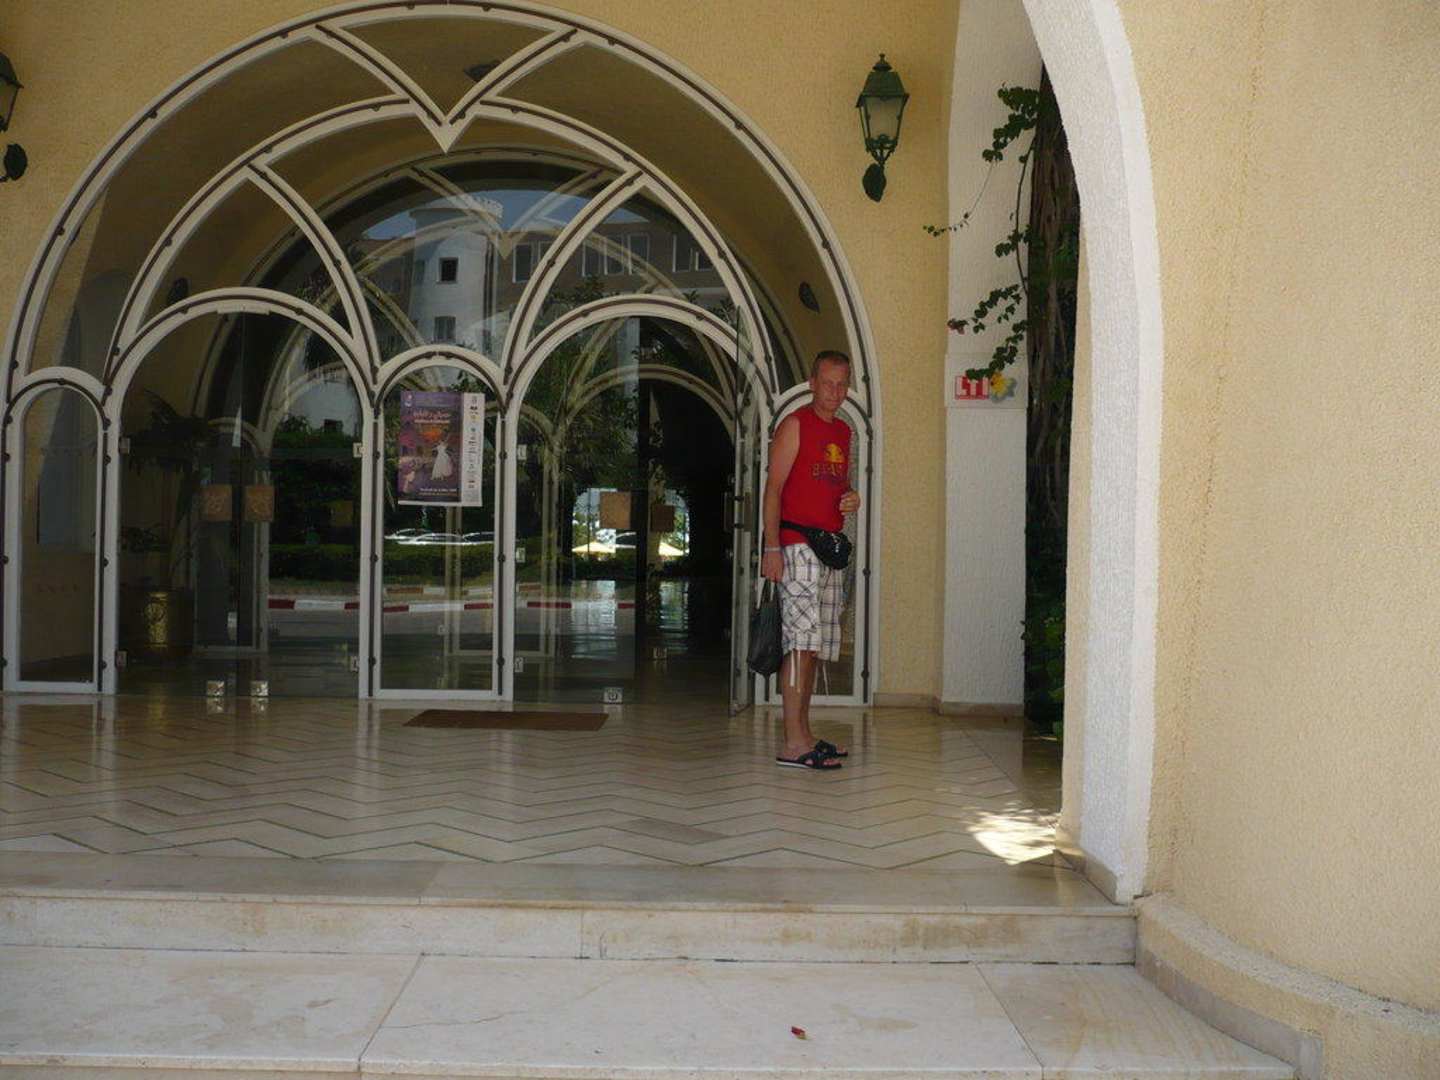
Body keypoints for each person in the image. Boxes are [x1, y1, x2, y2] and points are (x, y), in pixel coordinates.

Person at [762, 350, 861, 770]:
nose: (834, 392)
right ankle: (792, 743)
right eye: (827, 383)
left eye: (841, 384)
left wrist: (852, 498)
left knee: (814, 645)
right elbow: (773, 489)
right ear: (812, 383)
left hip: (827, 547)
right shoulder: (795, 424)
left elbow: (837, 485)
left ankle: (803, 733)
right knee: (799, 643)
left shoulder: (844, 431)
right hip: (796, 545)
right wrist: (771, 548)